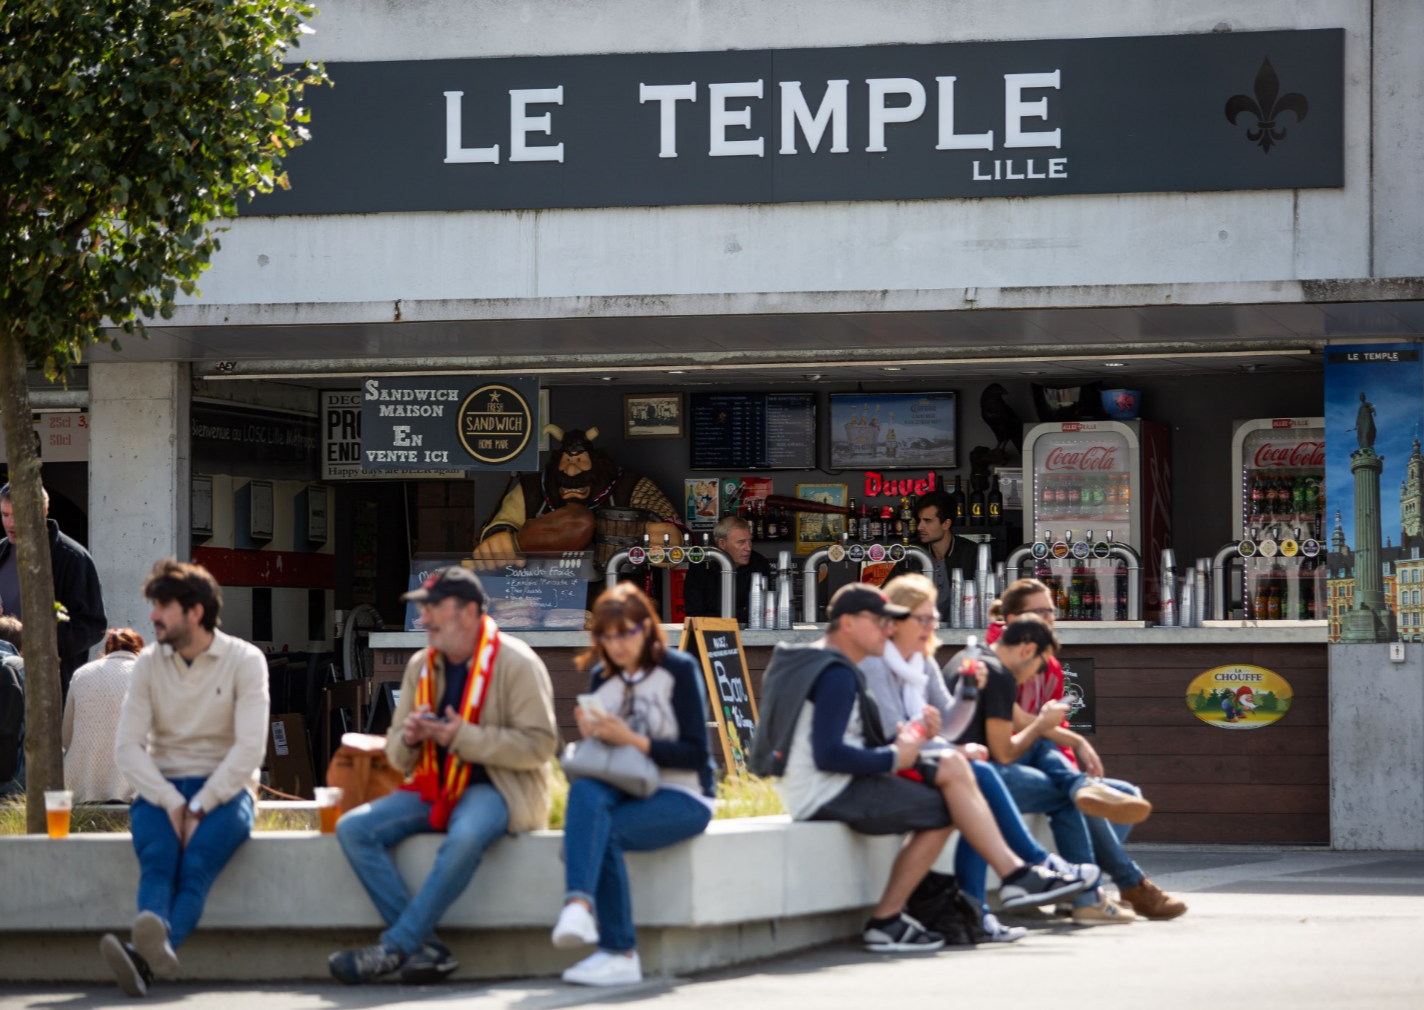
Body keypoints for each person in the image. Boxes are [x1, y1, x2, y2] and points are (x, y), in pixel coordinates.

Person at [751, 583, 1085, 953]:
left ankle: (1009, 877)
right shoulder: (837, 674)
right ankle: (894, 918)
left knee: (954, 773)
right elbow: (829, 755)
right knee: (946, 807)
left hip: (824, 783)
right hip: (824, 790)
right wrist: (896, 756)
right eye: (879, 622)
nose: (886, 630)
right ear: (847, 623)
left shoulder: (829, 663)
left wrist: (913, 741)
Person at [330, 566, 558, 985]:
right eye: (423, 609)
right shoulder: (422, 665)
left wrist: (462, 737)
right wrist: (414, 738)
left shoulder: (517, 662)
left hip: (498, 788)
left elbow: (540, 746)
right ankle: (423, 949)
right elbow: (398, 757)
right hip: (435, 786)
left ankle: (394, 948)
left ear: (469, 613)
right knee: (354, 829)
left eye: (433, 608)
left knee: (467, 836)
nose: (424, 619)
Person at [858, 575, 1100, 942]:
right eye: (920, 619)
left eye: (932, 619)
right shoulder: (876, 664)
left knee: (977, 778)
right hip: (884, 765)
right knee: (983, 778)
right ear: (893, 620)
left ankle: (991, 903)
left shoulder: (922, 663)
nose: (929, 627)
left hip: (919, 763)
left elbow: (950, 725)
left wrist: (969, 695)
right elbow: (897, 736)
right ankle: (1033, 870)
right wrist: (950, 747)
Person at [104, 560, 268, 997]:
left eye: (164, 606)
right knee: (158, 862)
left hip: (227, 790)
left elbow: (250, 749)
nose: (153, 616)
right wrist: (173, 801)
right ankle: (150, 956)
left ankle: (146, 956)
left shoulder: (245, 660)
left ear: (195, 612)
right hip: (162, 789)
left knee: (195, 867)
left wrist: (201, 804)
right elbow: (127, 749)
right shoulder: (148, 665)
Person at [990, 579, 1187, 920]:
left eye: (1050, 611)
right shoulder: (996, 656)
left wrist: (1073, 754)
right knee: (1075, 797)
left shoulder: (1049, 662)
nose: (1047, 618)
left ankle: (1078, 888)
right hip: (1003, 763)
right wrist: (1073, 745)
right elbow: (1018, 720)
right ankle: (1120, 885)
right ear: (1011, 618)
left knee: (1124, 792)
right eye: (1038, 612)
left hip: (1036, 760)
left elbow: (1052, 730)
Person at [551, 583, 716, 986]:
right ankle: (579, 909)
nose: (617, 645)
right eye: (607, 636)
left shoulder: (677, 670)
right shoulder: (601, 677)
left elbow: (697, 753)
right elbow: (607, 763)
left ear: (646, 628)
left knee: (598, 833)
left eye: (625, 633)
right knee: (586, 790)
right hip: (623, 785)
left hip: (683, 793)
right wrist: (595, 734)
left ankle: (618, 949)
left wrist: (633, 739)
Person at [950, 610, 1145, 924]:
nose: (1033, 676)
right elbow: (1003, 752)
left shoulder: (968, 657)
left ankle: (1078, 786)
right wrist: (1041, 723)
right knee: (1065, 795)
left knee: (1044, 748)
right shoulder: (999, 675)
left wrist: (1043, 731)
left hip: (963, 767)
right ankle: (1085, 897)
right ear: (1027, 650)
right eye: (1039, 666)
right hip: (979, 775)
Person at [0, 483, 107, 696]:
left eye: (18, 515)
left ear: (42, 511)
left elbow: (92, 626)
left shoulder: (73, 558)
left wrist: (35, 646)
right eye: (4, 514)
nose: (10, 523)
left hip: (48, 688)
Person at [63, 628, 144, 804]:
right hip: (131, 784)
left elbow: (66, 736)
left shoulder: (81, 674)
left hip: (80, 781)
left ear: (107, 650)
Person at [883, 490, 979, 621]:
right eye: (919, 520)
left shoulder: (971, 552)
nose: (920, 527)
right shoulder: (913, 552)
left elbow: (987, 600)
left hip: (963, 634)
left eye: (927, 521)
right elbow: (887, 595)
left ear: (946, 524)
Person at [681, 515, 772, 624]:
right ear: (722, 544)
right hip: (707, 633)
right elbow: (693, 616)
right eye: (741, 542)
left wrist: (713, 615)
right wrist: (739, 613)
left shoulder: (759, 564)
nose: (748, 548)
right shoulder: (700, 566)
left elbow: (759, 614)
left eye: (749, 541)